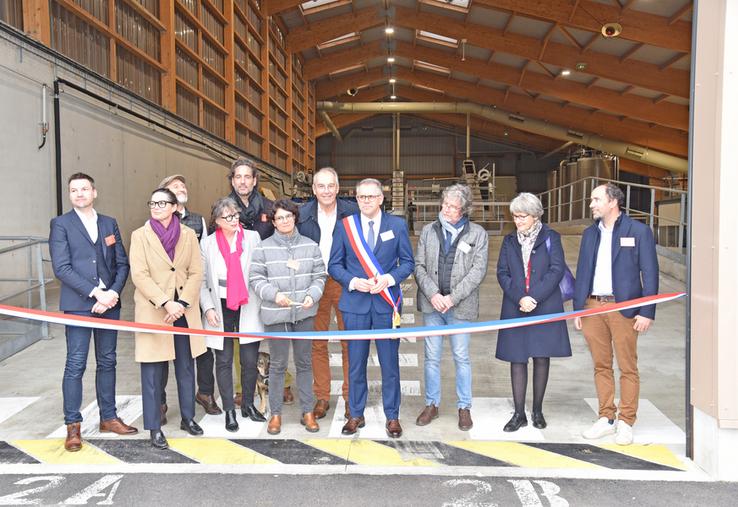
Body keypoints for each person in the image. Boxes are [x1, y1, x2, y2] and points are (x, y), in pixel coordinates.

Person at [49, 173, 138, 452]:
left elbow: (121, 264)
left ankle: (108, 417)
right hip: (79, 303)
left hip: (109, 304)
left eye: (84, 189)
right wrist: (95, 293)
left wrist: (111, 293)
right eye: (74, 190)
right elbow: (61, 268)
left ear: (94, 192)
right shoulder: (61, 224)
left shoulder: (109, 223)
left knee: (108, 361)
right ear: (70, 194)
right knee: (76, 363)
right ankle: (73, 425)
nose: (79, 194)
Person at [328, 178, 414, 438]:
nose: (365, 201)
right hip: (355, 305)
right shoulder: (345, 227)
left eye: (370, 196)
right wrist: (354, 282)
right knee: (355, 364)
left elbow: (407, 263)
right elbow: (334, 265)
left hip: (386, 304)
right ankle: (355, 414)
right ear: (356, 199)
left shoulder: (397, 225)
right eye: (360, 196)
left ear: (381, 199)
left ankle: (392, 416)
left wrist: (388, 279)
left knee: (390, 364)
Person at [574, 183, 659, 446]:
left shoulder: (639, 231)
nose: (591, 204)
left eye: (596, 199)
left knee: (627, 366)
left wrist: (647, 311)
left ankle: (626, 421)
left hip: (624, 308)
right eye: (591, 200)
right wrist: (579, 308)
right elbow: (582, 272)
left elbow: (651, 273)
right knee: (601, 365)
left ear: (613, 202)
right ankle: (606, 417)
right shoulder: (590, 234)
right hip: (592, 307)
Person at [129, 188, 207, 449]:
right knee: (152, 370)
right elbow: (139, 275)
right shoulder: (140, 236)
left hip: (184, 310)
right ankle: (154, 426)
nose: (157, 206)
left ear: (175, 207)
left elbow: (196, 272)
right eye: (153, 202)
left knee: (186, 367)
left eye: (163, 202)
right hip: (155, 310)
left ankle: (188, 417)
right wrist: (165, 301)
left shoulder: (188, 235)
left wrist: (182, 302)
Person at [414, 184, 488, 431]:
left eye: (452, 207)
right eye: (444, 204)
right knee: (431, 358)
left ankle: (464, 407)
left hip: (460, 307)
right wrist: (433, 294)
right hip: (432, 305)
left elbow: (478, 271)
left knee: (461, 358)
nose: (446, 210)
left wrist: (452, 298)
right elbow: (419, 266)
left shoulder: (477, 234)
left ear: (464, 210)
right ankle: (431, 404)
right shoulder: (428, 231)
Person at [496, 192, 571, 432]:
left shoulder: (551, 238)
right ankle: (519, 413)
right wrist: (520, 297)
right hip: (515, 306)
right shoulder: (509, 241)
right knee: (517, 358)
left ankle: (537, 410)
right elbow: (502, 273)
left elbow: (556, 270)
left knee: (541, 356)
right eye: (515, 216)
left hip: (544, 305)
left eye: (522, 216)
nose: (517, 221)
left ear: (536, 215)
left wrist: (534, 298)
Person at [250, 199, 326, 435]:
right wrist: (274, 295)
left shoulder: (310, 246)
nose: (284, 221)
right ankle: (275, 414)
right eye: (279, 218)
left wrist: (312, 296)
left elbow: (319, 276)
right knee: (279, 365)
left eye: (288, 217)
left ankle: (307, 412)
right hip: (277, 315)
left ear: (295, 218)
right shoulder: (263, 248)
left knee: (304, 364)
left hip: (304, 313)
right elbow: (255, 278)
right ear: (273, 222)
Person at [297, 167, 359, 420]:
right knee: (317, 342)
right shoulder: (301, 214)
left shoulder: (352, 212)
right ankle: (321, 396)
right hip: (314, 283)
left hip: (343, 282)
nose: (326, 191)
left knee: (349, 342)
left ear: (338, 187)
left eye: (330, 185)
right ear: (313, 189)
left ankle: (349, 397)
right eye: (320, 186)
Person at [200, 197, 265, 432]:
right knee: (224, 359)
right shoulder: (207, 243)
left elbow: (260, 272)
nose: (233, 219)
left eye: (236, 215)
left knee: (249, 360)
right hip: (220, 306)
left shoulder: (252, 238)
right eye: (228, 216)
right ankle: (229, 409)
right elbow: (202, 281)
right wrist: (207, 308)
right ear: (217, 220)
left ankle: (248, 404)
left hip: (247, 303)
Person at [159, 174, 220, 419]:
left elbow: (204, 258)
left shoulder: (198, 221)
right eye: (175, 186)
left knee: (202, 348)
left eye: (183, 185)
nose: (181, 188)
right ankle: (161, 403)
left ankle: (205, 392)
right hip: (165, 298)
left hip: (192, 295)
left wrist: (201, 293)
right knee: (163, 350)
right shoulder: (156, 221)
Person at [228, 157, 274, 240]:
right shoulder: (222, 210)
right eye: (238, 177)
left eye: (247, 177)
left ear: (254, 181)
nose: (242, 181)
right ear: (233, 181)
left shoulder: (270, 208)